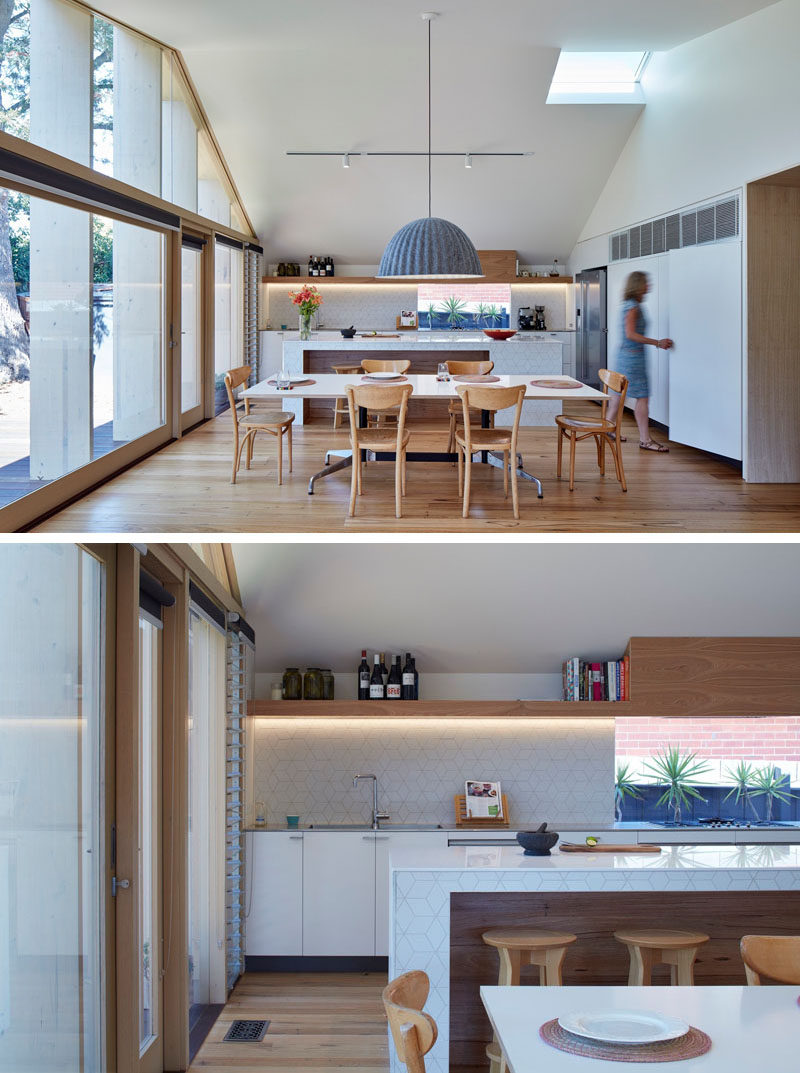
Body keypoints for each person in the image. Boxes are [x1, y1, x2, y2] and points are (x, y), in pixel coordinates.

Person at [605, 271, 673, 452]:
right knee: (642, 397)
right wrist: (657, 342)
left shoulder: (628, 305)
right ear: (638, 286)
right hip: (633, 358)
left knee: (617, 397)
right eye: (646, 283)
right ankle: (645, 439)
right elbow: (631, 334)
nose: (648, 286)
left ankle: (607, 429)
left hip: (624, 355)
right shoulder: (633, 307)